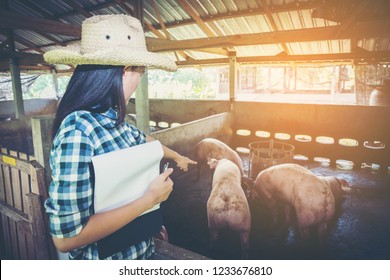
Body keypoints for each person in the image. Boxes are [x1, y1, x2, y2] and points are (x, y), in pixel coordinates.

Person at [43, 14, 197, 260]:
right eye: (140, 72)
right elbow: (66, 238)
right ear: (126, 72)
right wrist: (149, 200)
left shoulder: (113, 120)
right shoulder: (79, 130)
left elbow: (143, 139)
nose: (140, 78)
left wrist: (176, 155)